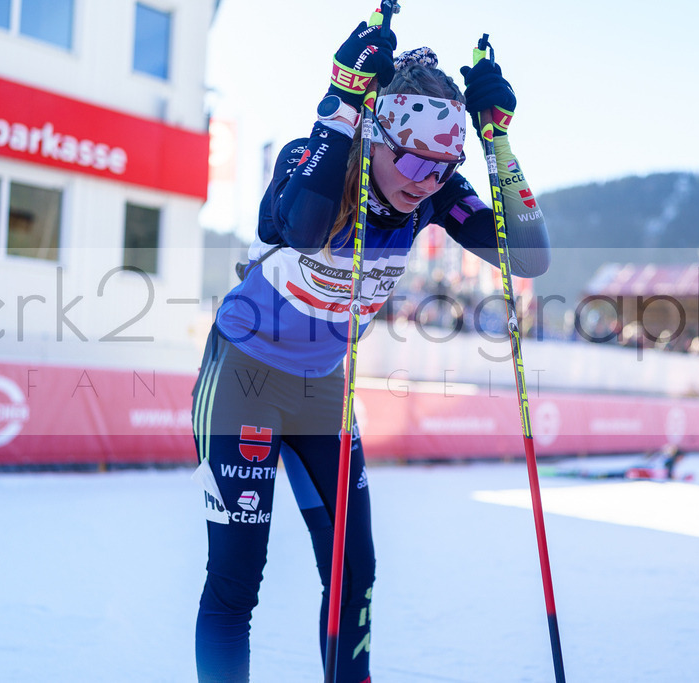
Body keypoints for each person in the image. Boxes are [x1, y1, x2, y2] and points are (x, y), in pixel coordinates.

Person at [189, 15, 549, 683]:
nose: (423, 180)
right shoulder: (314, 155)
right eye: (412, 159)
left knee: (356, 576)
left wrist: (496, 141)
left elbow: (528, 255)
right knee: (237, 580)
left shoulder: (433, 195)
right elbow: (298, 226)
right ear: (377, 134)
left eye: (443, 169)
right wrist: (341, 104)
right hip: (244, 378)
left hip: (325, 388)